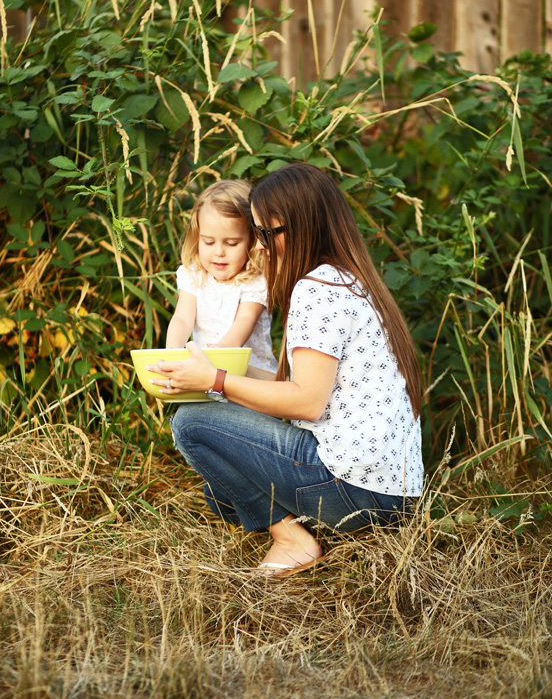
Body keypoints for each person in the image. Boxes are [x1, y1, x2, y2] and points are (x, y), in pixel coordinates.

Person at [149, 162, 423, 576]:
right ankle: (296, 522)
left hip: (355, 489)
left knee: (190, 425)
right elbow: (298, 387)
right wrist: (217, 375)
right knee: (220, 492)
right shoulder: (349, 279)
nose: (257, 247)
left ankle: (291, 538)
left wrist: (216, 380)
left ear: (298, 228)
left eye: (263, 233)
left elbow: (307, 402)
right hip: (394, 492)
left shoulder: (318, 290)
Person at [166, 178, 277, 378]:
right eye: (208, 242)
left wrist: (220, 352)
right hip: (206, 373)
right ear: (197, 237)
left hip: (253, 377)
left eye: (232, 243)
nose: (219, 252)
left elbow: (245, 320)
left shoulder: (255, 280)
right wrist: (173, 351)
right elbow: (183, 318)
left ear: (251, 240)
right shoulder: (194, 275)